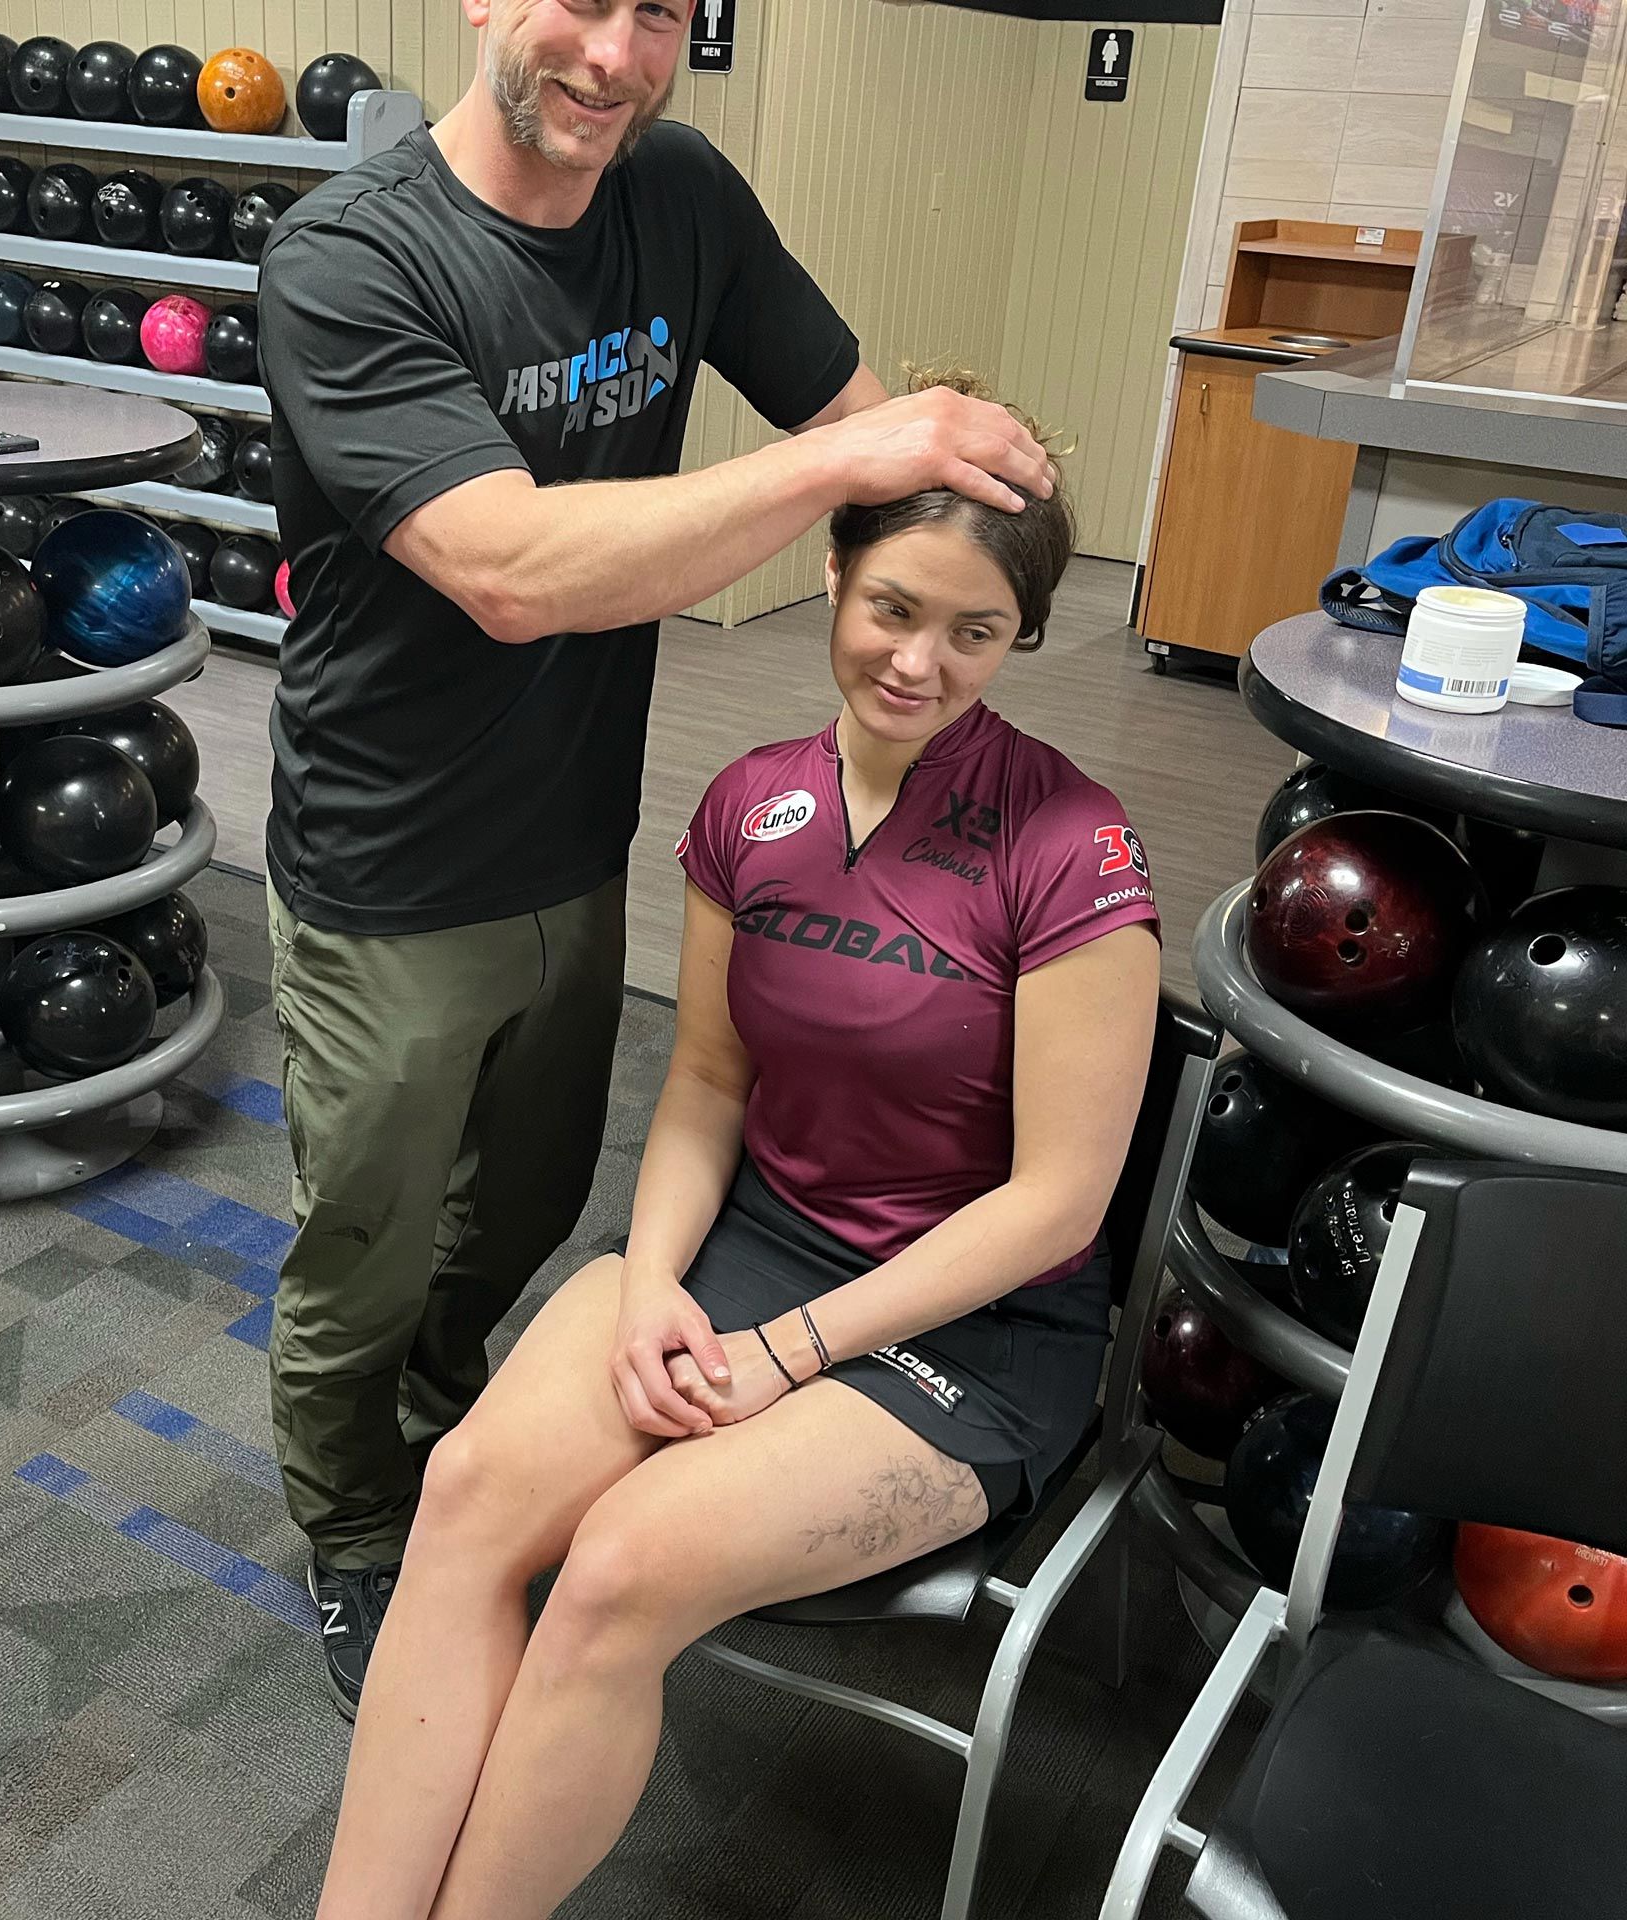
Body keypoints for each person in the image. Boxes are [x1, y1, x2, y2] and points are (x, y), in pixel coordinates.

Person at [256, 0, 1057, 1718]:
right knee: (367, 1244)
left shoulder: (676, 193)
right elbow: (513, 567)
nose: (616, 57)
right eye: (579, 1)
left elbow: (871, 449)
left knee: (532, 1203)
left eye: (660, 14)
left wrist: (957, 620)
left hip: (580, 835)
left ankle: (449, 1426)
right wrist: (857, 450)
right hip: (386, 869)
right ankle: (352, 1528)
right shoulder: (350, 260)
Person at [305, 375, 1163, 1920]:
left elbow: (1058, 1207)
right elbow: (704, 1079)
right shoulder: (750, 806)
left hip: (975, 1328)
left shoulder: (1072, 847)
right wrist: (647, 1283)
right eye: (894, 605)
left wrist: (793, 1351)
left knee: (623, 1569)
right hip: (757, 1248)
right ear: (830, 570)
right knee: (469, 1493)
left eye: (975, 632)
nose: (921, 662)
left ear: (1022, 636)